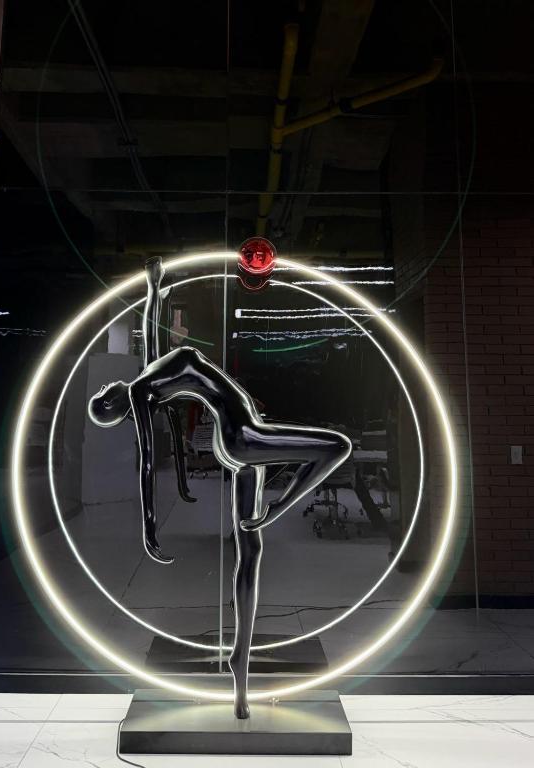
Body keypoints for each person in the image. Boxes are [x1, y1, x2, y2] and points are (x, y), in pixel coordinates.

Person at [88, 256, 351, 719]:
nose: (106, 389)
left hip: (237, 440)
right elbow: (147, 458)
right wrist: (149, 527)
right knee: (337, 446)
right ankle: (279, 507)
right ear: (114, 403)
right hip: (242, 437)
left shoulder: (148, 375)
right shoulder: (141, 393)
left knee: (251, 551)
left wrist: (155, 289)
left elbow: (153, 334)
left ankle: (240, 668)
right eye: (102, 399)